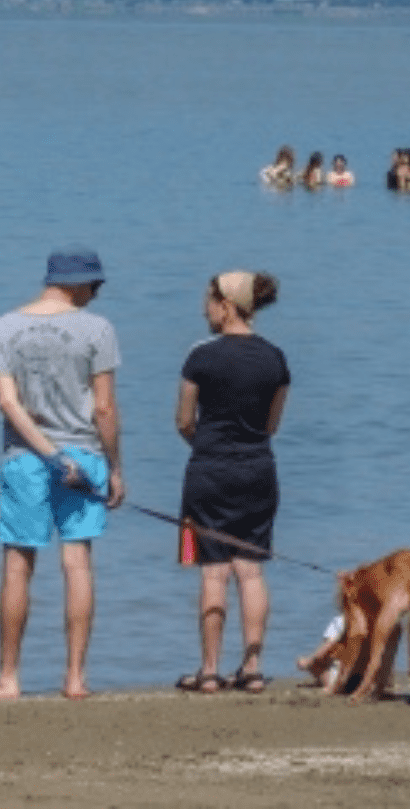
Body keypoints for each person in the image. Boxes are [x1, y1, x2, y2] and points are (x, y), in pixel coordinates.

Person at [0, 247, 125, 702]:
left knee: (17, 564)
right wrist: (115, 468)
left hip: (24, 457)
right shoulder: (97, 329)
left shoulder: (4, 326)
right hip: (82, 457)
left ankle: (8, 678)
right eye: (95, 286)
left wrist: (44, 451)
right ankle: (75, 678)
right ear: (77, 283)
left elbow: (7, 402)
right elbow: (103, 407)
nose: (96, 295)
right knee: (77, 562)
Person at [175, 271, 290, 694]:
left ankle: (209, 670)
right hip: (258, 471)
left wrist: (204, 444)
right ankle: (253, 667)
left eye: (208, 301)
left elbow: (184, 420)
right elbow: (271, 424)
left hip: (208, 472)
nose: (204, 309)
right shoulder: (275, 358)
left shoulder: (200, 357)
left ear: (226, 306)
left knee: (212, 574)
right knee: (251, 572)